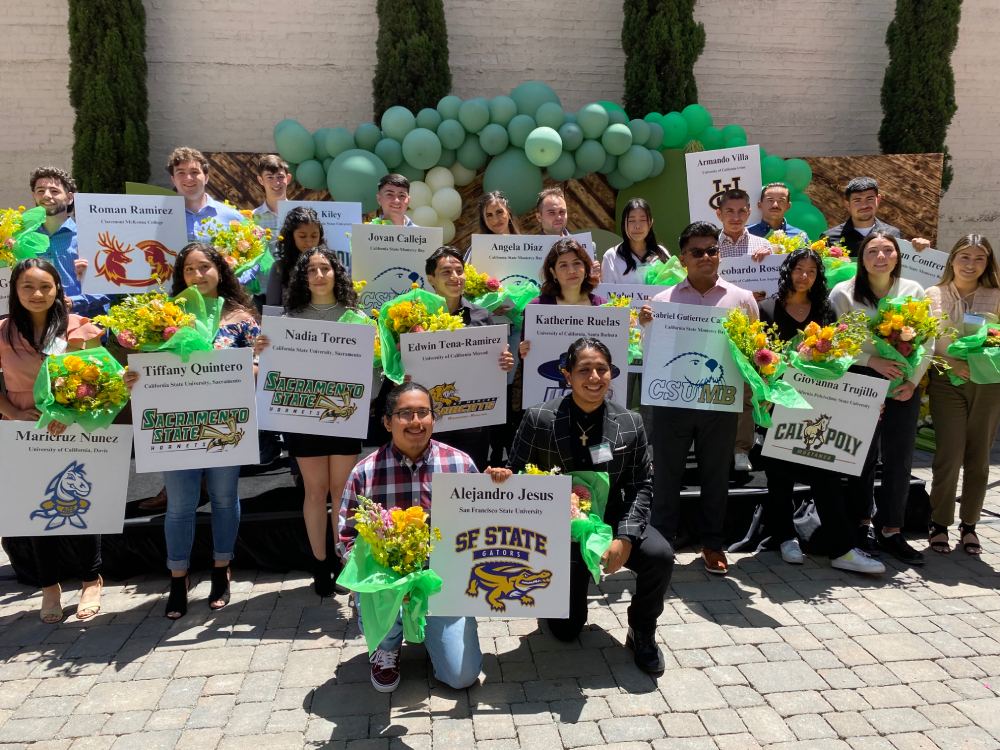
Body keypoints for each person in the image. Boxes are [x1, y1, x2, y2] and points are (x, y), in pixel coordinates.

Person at [488, 338, 674, 672]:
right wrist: (501, 475)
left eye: (602, 369)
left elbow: (640, 486)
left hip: (610, 512)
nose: (594, 377)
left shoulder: (631, 422)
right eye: (584, 369)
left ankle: (643, 630)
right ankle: (556, 590)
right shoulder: (538, 418)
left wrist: (626, 538)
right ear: (566, 375)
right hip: (556, 522)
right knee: (565, 631)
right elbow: (515, 473)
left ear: (611, 373)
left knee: (659, 556)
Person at [124, 243, 260, 617]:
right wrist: (133, 377)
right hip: (177, 426)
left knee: (223, 498)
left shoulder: (241, 317)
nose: (198, 275)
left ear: (220, 270)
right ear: (180, 276)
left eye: (205, 267)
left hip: (225, 424)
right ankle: (177, 578)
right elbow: (146, 367)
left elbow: (262, 368)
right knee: (181, 505)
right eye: (189, 270)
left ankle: (221, 570)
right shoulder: (165, 316)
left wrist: (241, 367)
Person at [340, 382, 483, 693]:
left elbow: (484, 525)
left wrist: (500, 486)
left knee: (462, 677)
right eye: (405, 414)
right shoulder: (364, 473)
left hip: (442, 582)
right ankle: (387, 645)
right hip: (386, 584)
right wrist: (381, 582)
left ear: (433, 418)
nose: (416, 422)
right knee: (374, 585)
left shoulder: (460, 464)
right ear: (388, 422)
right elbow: (347, 538)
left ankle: (436, 633)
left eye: (424, 413)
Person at [637, 221, 758, 576]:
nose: (706, 256)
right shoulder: (661, 301)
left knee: (715, 475)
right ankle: (658, 543)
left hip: (720, 402)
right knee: (667, 476)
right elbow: (650, 356)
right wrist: (647, 326)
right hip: (673, 402)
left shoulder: (742, 299)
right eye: (697, 252)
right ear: (682, 258)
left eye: (712, 250)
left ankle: (712, 545)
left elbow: (752, 353)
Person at [757, 249, 885, 573]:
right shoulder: (767, 309)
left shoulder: (825, 310)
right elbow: (757, 359)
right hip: (780, 404)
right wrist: (765, 392)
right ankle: (785, 537)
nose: (804, 276)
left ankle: (842, 548)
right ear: (787, 270)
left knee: (825, 473)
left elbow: (840, 362)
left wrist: (867, 402)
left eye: (811, 271)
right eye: (798, 269)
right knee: (779, 474)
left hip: (818, 405)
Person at [254, 247, 370, 595]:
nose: (319, 275)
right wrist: (262, 351)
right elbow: (273, 371)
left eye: (325, 268)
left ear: (337, 273)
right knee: (315, 492)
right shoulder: (287, 322)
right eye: (312, 270)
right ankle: (320, 565)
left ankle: (343, 561)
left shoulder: (358, 319)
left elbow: (373, 373)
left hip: (344, 416)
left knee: (342, 492)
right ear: (302, 278)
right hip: (303, 419)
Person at [0, 259, 105, 622]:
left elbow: (98, 380)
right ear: (14, 290)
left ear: (58, 288)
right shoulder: (2, 331)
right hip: (23, 428)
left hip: (71, 427)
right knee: (35, 511)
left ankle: (91, 580)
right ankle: (49, 588)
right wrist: (10, 412)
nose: (37, 294)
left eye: (45, 286)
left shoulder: (79, 327)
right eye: (27, 287)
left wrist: (67, 412)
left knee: (81, 504)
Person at [829, 231, 929, 565]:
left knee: (900, 456)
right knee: (860, 456)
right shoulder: (843, 293)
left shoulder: (913, 291)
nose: (881, 256)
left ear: (898, 256)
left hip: (902, 382)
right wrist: (871, 361)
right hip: (859, 380)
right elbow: (834, 344)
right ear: (862, 257)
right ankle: (861, 525)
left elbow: (927, 341)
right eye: (873, 250)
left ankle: (891, 529)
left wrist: (913, 381)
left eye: (888, 250)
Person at [925, 235, 1000, 555]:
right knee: (949, 456)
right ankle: (939, 523)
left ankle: (969, 525)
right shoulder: (932, 294)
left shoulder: (996, 296)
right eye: (964, 257)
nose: (971, 264)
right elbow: (923, 346)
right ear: (951, 259)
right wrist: (951, 364)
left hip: (988, 385)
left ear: (988, 263)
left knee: (980, 459)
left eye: (979, 258)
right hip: (946, 382)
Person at [420, 247, 514, 469]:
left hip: (474, 419)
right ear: (430, 279)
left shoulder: (482, 316)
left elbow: (494, 367)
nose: (455, 277)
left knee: (471, 480)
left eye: (459, 271)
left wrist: (503, 364)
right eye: (446, 272)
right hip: (432, 419)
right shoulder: (418, 316)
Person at [715, 188, 772, 471]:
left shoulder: (765, 247)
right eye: (729, 212)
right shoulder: (710, 248)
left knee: (746, 388)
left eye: (741, 211)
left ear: (750, 212)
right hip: (714, 325)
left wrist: (764, 293)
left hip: (751, 325)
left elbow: (776, 290)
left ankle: (741, 449)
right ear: (719, 214)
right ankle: (712, 448)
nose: (735, 217)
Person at [515, 239, 607, 411]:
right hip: (549, 399)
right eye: (563, 265)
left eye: (577, 263)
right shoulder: (537, 307)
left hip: (592, 396)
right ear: (553, 272)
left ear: (586, 268)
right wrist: (523, 350)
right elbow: (525, 356)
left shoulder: (603, 306)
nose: (571, 270)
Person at [30, 166, 110, 319]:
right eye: (40, 191)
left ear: (70, 197)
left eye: (54, 191)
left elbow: (112, 285)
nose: (47, 195)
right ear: (34, 196)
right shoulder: (22, 240)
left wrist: (74, 302)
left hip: (85, 326)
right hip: (37, 328)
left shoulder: (94, 237)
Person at [477, 191, 521, 461]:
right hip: (490, 327)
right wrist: (490, 306)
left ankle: (509, 448)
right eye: (488, 215)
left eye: (499, 212)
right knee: (494, 388)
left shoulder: (527, 245)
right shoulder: (477, 249)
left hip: (519, 328)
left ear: (509, 213)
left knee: (509, 387)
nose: (495, 219)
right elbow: (468, 289)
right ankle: (494, 451)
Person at [822, 176, 930, 257]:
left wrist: (921, 251)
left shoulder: (894, 235)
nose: (864, 205)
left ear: (878, 200)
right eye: (857, 200)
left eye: (869, 199)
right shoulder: (830, 238)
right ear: (847, 205)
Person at [167, 147, 244, 242]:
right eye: (181, 172)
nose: (188, 178)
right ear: (173, 179)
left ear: (206, 178)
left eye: (194, 172)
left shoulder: (233, 217)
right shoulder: (160, 218)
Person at [601, 198, 670, 284]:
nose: (637, 226)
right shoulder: (611, 256)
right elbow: (607, 294)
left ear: (650, 223)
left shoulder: (662, 253)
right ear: (623, 225)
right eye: (631, 221)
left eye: (643, 220)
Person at [265, 206, 324, 307]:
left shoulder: (329, 266)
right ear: (291, 237)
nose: (309, 241)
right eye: (302, 236)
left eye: (314, 236)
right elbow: (272, 309)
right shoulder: (279, 268)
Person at [252, 154, 292, 240]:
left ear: (288, 179)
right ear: (260, 180)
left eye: (280, 177)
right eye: (270, 177)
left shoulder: (299, 215)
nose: (276, 182)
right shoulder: (252, 219)